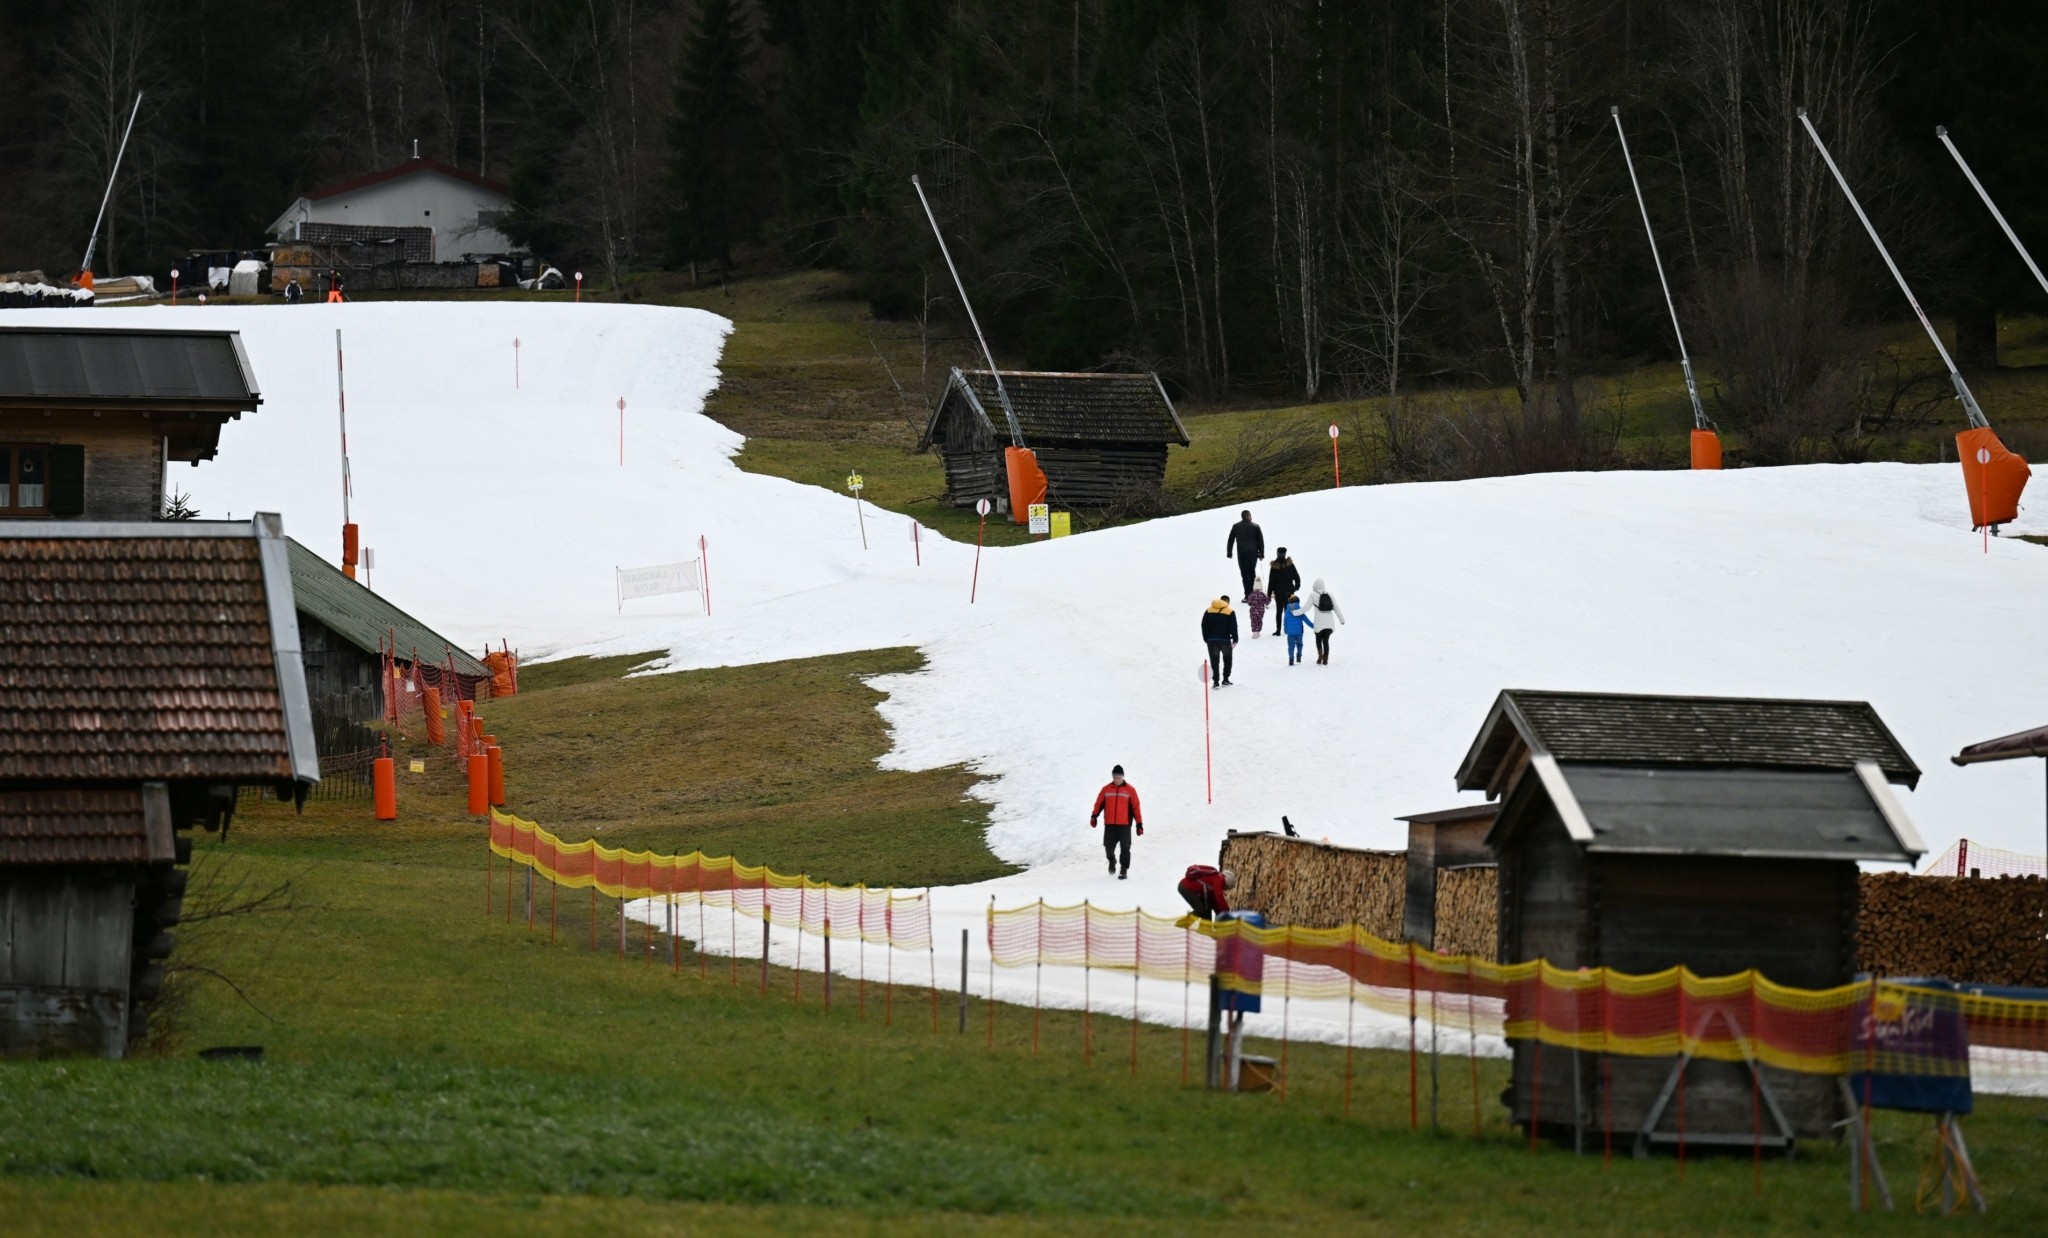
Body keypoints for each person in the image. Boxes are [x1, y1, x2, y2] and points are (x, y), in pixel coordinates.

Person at [1089, 764, 1144, 880]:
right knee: (1108, 846)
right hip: (1110, 824)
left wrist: (1139, 824)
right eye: (1114, 777)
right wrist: (1094, 816)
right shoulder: (1106, 789)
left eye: (1118, 777)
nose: (1116, 779)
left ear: (1122, 777)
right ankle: (1112, 859)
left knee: (1125, 847)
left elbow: (1136, 808)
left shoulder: (1130, 790)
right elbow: (1098, 804)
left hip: (1124, 825)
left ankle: (1123, 869)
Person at [1225, 509, 1264, 600]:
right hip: (1253, 554)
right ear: (1249, 516)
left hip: (1242, 554)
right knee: (1252, 572)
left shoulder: (1236, 526)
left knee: (1245, 574)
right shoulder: (1256, 526)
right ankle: (1253, 595)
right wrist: (1261, 554)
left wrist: (1229, 553)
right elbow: (1260, 541)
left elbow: (1231, 540)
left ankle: (1248, 595)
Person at [1305, 577, 1347, 664]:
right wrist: (1342, 620)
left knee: (1318, 640)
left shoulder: (1313, 594)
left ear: (1315, 585)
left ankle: (1320, 655)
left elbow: (1306, 608)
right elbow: (1337, 608)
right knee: (1326, 641)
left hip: (1319, 623)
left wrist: (1295, 612)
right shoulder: (1330, 594)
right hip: (1329, 623)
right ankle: (1325, 659)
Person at [1201, 595, 1239, 687]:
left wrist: (1206, 638)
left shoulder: (1209, 610)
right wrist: (1235, 639)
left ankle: (1216, 682)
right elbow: (1233, 626)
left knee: (1214, 660)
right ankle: (1225, 679)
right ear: (1227, 602)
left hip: (1211, 640)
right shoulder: (1230, 611)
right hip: (1225, 640)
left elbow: (1203, 625)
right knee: (1227, 660)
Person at [1266, 549, 1301, 637]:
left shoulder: (1274, 567)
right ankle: (1288, 629)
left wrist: (1269, 593)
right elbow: (1296, 576)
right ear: (1285, 554)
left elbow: (1271, 581)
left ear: (1277, 553)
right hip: (1290, 591)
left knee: (1279, 611)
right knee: (1289, 611)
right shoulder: (1290, 565)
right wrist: (1296, 586)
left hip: (1279, 592)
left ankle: (1278, 630)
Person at [1279, 593, 1311, 666]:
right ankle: (1299, 656)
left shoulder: (1287, 611)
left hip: (1290, 633)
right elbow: (1306, 620)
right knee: (1299, 644)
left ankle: (1291, 659)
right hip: (1299, 632)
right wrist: (1314, 626)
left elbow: (1285, 622)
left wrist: (1286, 630)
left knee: (1291, 646)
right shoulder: (1300, 611)